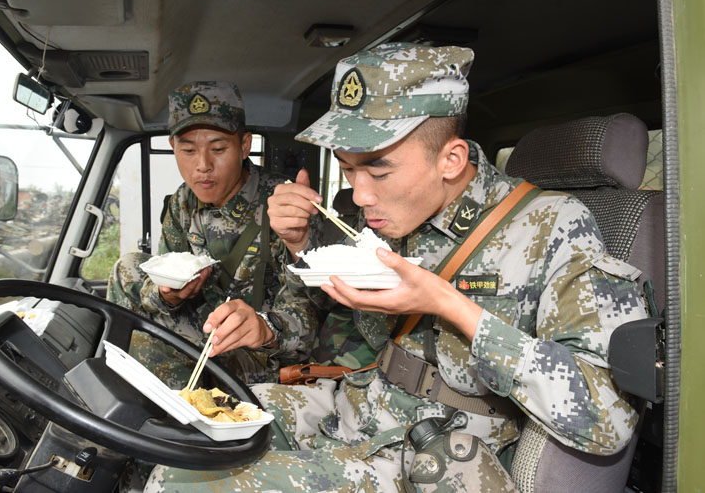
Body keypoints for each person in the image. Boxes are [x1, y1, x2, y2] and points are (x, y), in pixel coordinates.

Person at [143, 44, 647, 491]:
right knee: (176, 440)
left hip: (414, 457)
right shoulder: (392, 220)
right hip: (349, 407)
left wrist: (447, 303)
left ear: (450, 159)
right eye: (347, 168)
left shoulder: (552, 226)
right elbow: (350, 329)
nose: (360, 195)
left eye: (378, 169)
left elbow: (606, 421)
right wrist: (300, 246)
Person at [107, 81, 315, 387]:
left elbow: (310, 320)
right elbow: (163, 277)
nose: (202, 166)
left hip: (262, 351)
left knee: (143, 349)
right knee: (126, 268)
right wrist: (168, 296)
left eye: (218, 149)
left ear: (244, 146)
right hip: (207, 325)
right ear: (172, 146)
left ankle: (175, 425)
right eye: (188, 150)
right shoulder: (182, 201)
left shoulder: (285, 206)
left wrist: (263, 327)